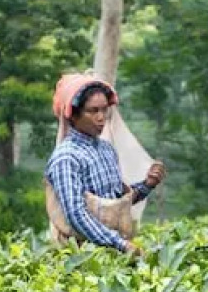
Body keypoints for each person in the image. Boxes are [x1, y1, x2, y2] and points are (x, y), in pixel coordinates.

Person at [45, 73, 165, 255]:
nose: (101, 117)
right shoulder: (67, 157)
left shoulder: (106, 149)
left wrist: (147, 184)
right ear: (74, 115)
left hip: (113, 251)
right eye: (93, 111)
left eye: (104, 110)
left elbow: (114, 203)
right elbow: (76, 215)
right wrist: (121, 244)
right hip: (82, 258)